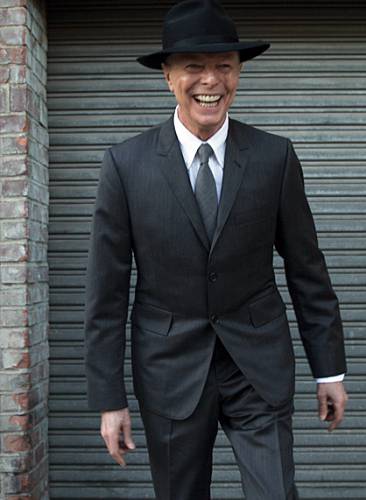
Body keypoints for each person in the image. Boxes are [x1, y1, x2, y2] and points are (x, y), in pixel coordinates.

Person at [83, 0, 348, 498]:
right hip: (169, 371)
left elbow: (308, 270)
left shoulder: (274, 157)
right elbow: (106, 293)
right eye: (194, 66)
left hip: (258, 365)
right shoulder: (125, 165)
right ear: (168, 76)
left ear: (239, 73)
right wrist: (109, 399)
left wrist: (329, 369)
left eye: (224, 65)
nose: (211, 80)